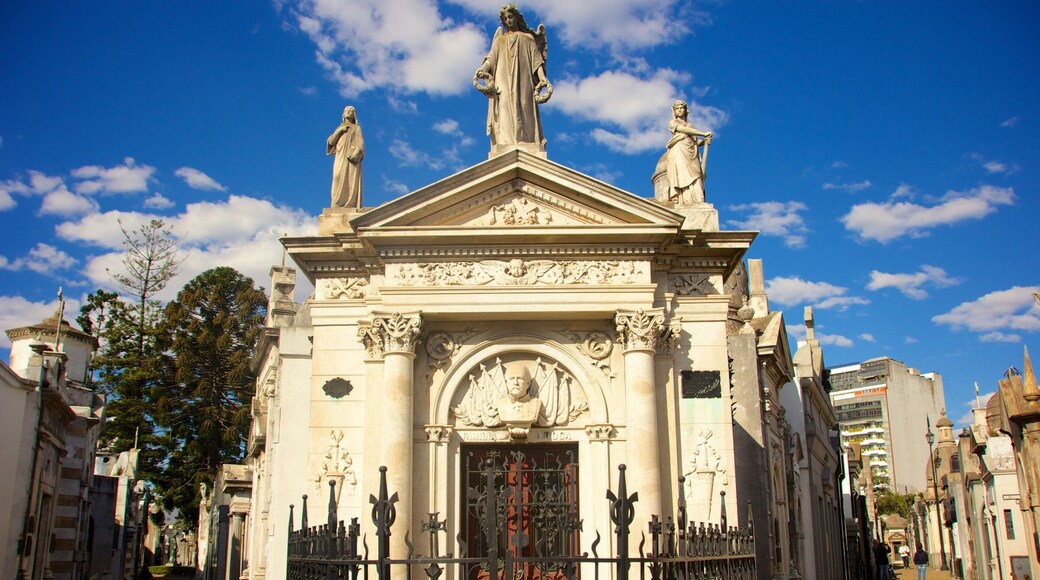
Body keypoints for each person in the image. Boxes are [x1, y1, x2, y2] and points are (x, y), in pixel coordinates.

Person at [474, 4, 551, 155]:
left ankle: (526, 140)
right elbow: (491, 59)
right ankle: (506, 141)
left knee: (524, 104)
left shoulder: (527, 39)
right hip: (503, 78)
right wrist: (483, 70)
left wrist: (542, 80)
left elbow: (537, 62)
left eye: (511, 17)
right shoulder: (500, 40)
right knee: (504, 107)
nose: (508, 21)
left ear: (516, 17)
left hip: (524, 80)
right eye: (505, 18)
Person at [664, 100, 712, 206]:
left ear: (686, 110)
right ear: (674, 111)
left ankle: (698, 200)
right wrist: (703, 133)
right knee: (682, 176)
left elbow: (693, 140)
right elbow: (683, 130)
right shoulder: (673, 123)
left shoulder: (690, 125)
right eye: (677, 108)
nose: (680, 110)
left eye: (682, 108)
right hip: (679, 152)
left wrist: (704, 141)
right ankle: (685, 200)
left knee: (697, 175)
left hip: (691, 154)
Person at [327, 105, 364, 209]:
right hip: (339, 157)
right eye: (346, 110)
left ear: (354, 115)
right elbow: (330, 142)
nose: (348, 112)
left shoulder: (356, 128)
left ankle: (348, 204)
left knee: (349, 180)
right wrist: (340, 131)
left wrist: (356, 152)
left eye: (351, 111)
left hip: (350, 159)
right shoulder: (339, 128)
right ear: (343, 114)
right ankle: (336, 204)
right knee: (337, 177)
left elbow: (361, 145)